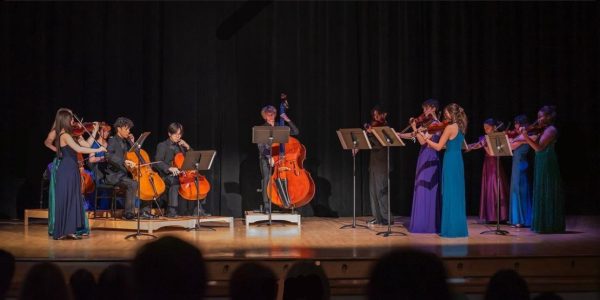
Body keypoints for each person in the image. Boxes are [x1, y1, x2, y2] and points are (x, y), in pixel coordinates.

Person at [49, 109, 105, 240]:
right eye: (71, 119)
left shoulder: (71, 135)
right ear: (65, 120)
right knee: (66, 199)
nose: (73, 121)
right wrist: (98, 149)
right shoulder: (65, 135)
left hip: (72, 168)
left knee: (73, 199)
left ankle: (69, 230)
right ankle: (61, 231)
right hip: (66, 169)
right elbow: (79, 149)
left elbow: (86, 144)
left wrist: (95, 131)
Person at [418, 103, 468, 238]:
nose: (445, 115)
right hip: (458, 161)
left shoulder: (449, 128)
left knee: (449, 194)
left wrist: (427, 140)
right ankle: (459, 229)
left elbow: (439, 147)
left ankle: (450, 230)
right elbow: (451, 144)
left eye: (446, 113)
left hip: (450, 161)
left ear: (451, 114)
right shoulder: (461, 127)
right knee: (457, 194)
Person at [397, 99, 442, 233]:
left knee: (426, 188)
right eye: (423, 109)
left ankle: (428, 224)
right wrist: (399, 135)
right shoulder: (427, 123)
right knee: (420, 188)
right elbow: (413, 136)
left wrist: (414, 127)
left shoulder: (437, 124)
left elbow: (422, 141)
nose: (423, 112)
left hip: (430, 157)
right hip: (423, 156)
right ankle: (422, 222)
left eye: (426, 109)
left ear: (433, 109)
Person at [520, 105, 564, 233]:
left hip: (547, 162)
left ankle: (550, 224)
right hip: (541, 161)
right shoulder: (544, 129)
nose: (538, 119)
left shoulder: (551, 130)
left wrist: (526, 137)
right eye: (538, 117)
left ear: (549, 117)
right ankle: (544, 223)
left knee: (546, 189)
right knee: (541, 189)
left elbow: (539, 148)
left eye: (541, 116)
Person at [154, 122, 207, 217]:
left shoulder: (181, 146)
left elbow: (194, 158)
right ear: (169, 134)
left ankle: (198, 209)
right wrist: (169, 168)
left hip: (183, 173)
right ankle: (171, 210)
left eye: (180, 134)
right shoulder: (162, 145)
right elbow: (158, 162)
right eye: (175, 134)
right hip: (167, 175)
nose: (178, 137)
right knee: (175, 182)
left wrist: (188, 147)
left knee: (199, 180)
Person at [257, 105, 299, 213]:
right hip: (266, 158)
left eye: (273, 114)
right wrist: (269, 157)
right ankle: (267, 205)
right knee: (267, 179)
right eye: (268, 114)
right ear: (264, 116)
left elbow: (295, 132)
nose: (271, 116)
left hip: (281, 158)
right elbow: (261, 146)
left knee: (284, 178)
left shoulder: (280, 126)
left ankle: (284, 202)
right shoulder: (262, 128)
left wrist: (287, 120)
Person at [467, 118, 509, 223]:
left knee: (495, 186)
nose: (486, 130)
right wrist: (467, 146)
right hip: (487, 165)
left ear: (494, 128)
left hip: (495, 164)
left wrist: (484, 144)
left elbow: (491, 152)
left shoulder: (498, 138)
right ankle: (491, 216)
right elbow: (476, 145)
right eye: (484, 128)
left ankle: (500, 216)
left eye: (488, 128)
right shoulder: (485, 138)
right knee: (489, 188)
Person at [105, 117, 140, 220]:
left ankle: (142, 210)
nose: (129, 131)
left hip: (123, 175)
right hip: (114, 175)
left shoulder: (126, 142)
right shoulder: (112, 140)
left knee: (138, 182)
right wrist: (123, 161)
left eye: (129, 129)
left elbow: (134, 155)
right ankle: (128, 213)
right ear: (119, 129)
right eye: (126, 129)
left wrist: (132, 142)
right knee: (133, 183)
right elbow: (108, 156)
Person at [364, 105, 392, 225]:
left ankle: (387, 217)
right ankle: (377, 217)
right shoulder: (374, 127)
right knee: (373, 191)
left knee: (381, 190)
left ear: (383, 115)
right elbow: (369, 144)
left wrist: (371, 134)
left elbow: (381, 144)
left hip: (382, 163)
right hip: (374, 163)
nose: (375, 118)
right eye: (373, 115)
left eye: (377, 115)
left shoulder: (385, 128)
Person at [508, 115, 533, 227]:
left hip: (521, 165)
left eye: (517, 124)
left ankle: (522, 220)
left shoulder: (527, 135)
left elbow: (512, 146)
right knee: (515, 189)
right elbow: (511, 143)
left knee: (520, 189)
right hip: (516, 164)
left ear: (522, 124)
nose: (515, 127)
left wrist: (513, 140)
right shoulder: (520, 136)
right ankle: (516, 218)